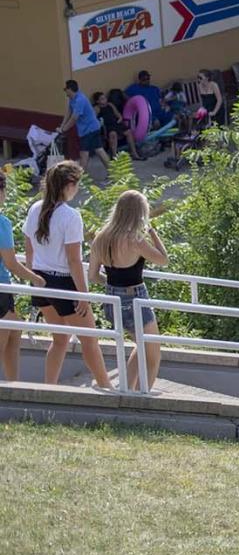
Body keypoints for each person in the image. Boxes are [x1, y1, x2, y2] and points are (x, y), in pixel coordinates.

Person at [23, 161, 111, 389]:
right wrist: (83, 295)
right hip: (63, 282)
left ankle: (49, 387)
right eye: (77, 184)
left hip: (40, 280)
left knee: (60, 339)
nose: (78, 189)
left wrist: (33, 280)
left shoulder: (35, 208)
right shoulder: (71, 216)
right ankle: (105, 386)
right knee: (89, 339)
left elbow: (29, 248)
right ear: (68, 185)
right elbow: (74, 261)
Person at [89, 189, 168, 391]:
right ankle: (143, 397)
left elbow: (93, 276)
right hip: (136, 300)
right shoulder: (135, 239)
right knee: (153, 353)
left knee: (140, 346)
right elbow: (163, 260)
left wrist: (112, 285)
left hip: (112, 299)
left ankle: (127, 389)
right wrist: (151, 231)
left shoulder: (101, 237)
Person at [0, 170, 45, 383]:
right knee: (8, 332)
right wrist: (36, 279)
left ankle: (13, 384)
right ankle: (10, 388)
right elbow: (11, 263)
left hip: (4, 289)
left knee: (14, 331)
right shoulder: (2, 223)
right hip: (2, 287)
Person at [54, 79, 110, 180]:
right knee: (99, 150)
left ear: (70, 89)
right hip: (92, 127)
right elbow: (69, 112)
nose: (65, 91)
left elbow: (74, 118)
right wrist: (61, 127)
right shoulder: (72, 98)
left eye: (65, 89)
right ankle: (113, 172)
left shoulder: (80, 100)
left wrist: (64, 129)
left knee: (84, 153)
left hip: (88, 129)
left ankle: (79, 178)